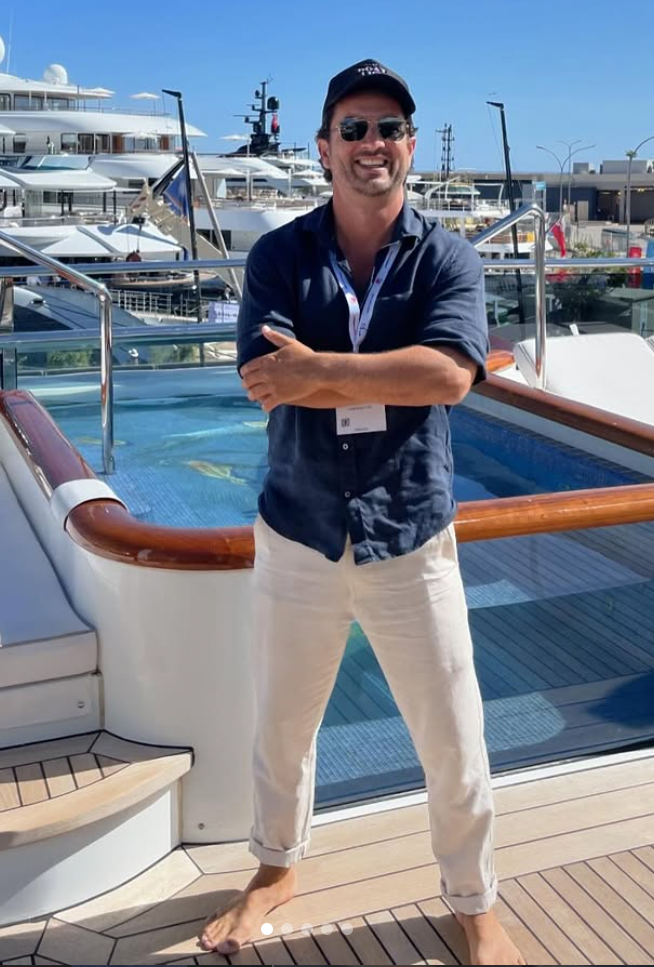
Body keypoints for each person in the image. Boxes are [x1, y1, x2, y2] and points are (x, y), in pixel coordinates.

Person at [201, 60, 523, 965]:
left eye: (387, 128)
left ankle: (474, 903)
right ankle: (274, 871)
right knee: (281, 728)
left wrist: (322, 372)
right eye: (353, 128)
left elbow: (451, 374)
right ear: (324, 148)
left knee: (453, 737)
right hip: (298, 527)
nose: (370, 144)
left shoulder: (447, 257)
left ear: (409, 146)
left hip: (409, 533)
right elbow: (265, 383)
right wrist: (359, 371)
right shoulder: (279, 258)